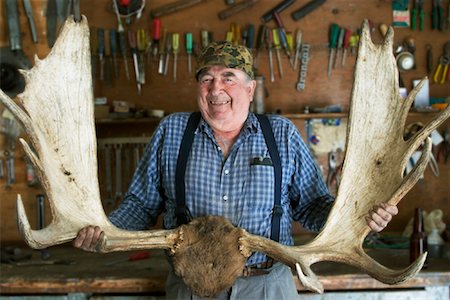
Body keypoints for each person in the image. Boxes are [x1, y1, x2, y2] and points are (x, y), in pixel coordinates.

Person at [74, 41, 398, 299]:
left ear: (250, 89)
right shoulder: (172, 132)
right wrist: (106, 230)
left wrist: (360, 218)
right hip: (190, 289)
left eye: (228, 77)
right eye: (206, 79)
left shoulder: (281, 135)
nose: (216, 90)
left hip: (267, 287)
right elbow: (141, 205)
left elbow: (313, 206)